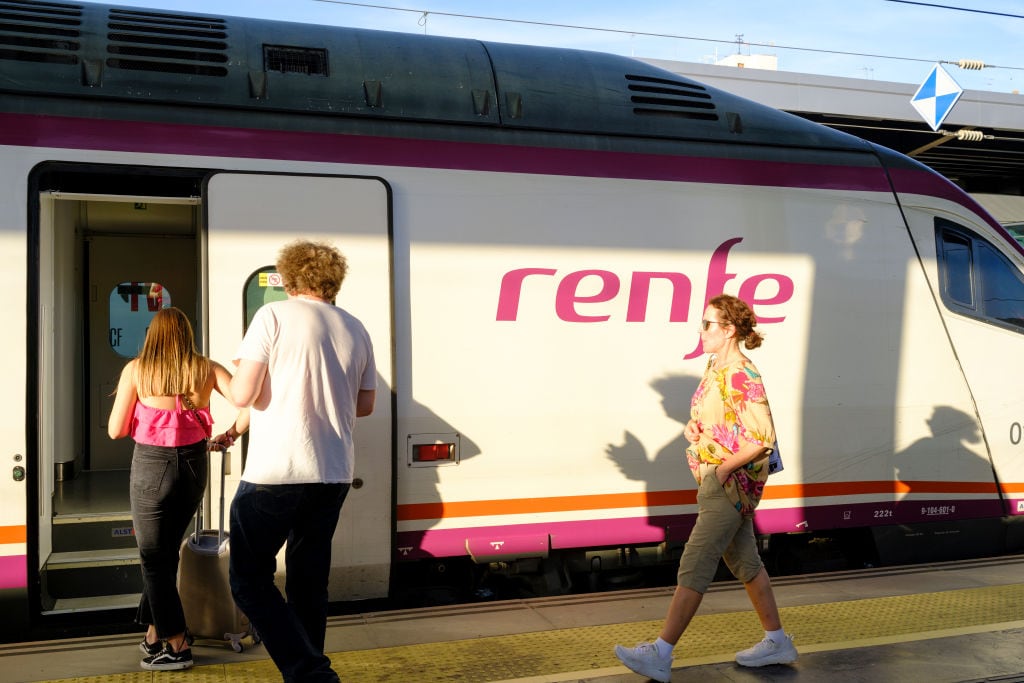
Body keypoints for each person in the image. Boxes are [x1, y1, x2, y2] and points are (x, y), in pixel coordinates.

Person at [614, 294, 797, 682]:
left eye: (708, 324)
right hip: (715, 478)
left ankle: (660, 653)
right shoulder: (715, 366)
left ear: (729, 330)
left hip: (729, 484)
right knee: (746, 563)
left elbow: (762, 437)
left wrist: (724, 470)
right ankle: (777, 640)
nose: (701, 331)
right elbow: (715, 420)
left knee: (694, 561)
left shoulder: (741, 374)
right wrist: (693, 429)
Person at [228, 239, 376, 683]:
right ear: (333, 281)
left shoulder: (272, 315)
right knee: (309, 583)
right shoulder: (355, 327)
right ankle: (310, 671)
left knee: (249, 580)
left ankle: (310, 673)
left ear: (288, 277)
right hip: (332, 473)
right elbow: (364, 405)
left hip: (277, 471)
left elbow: (241, 394)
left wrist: (246, 373)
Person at [107, 306, 244, 671]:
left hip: (152, 465)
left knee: (153, 557)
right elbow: (249, 404)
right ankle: (154, 634)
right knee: (166, 553)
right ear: (187, 334)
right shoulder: (207, 368)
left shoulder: (137, 370)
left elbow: (115, 430)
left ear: (152, 335)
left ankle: (177, 643)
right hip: (193, 465)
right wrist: (231, 433)